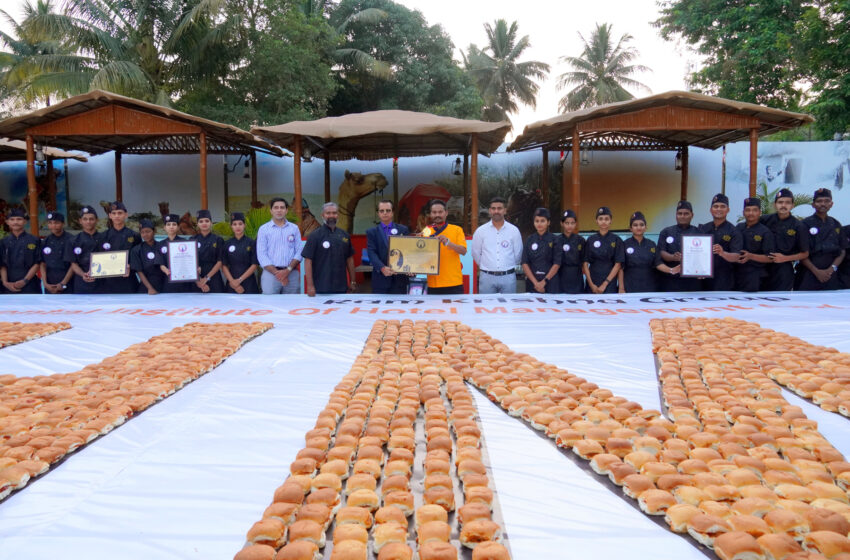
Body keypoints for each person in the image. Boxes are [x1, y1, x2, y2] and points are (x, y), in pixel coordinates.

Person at [760, 188, 809, 291]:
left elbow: (804, 253)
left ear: (792, 205)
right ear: (775, 204)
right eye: (780, 202)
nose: (783, 205)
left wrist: (784, 258)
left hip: (783, 271)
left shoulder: (798, 226)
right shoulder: (764, 220)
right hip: (763, 268)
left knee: (780, 303)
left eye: (787, 203)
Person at [470, 196, 522, 294]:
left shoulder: (514, 231)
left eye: (499, 208)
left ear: (505, 211)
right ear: (490, 211)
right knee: (486, 307)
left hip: (508, 277)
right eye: (493, 208)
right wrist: (488, 266)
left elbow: (518, 255)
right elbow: (475, 253)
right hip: (487, 278)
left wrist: (506, 266)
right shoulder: (481, 231)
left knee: (509, 307)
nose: (496, 211)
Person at [797, 188, 846, 290]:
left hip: (831, 275)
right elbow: (801, 252)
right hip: (809, 274)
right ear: (813, 204)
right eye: (819, 201)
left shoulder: (836, 224)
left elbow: (842, 250)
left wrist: (831, 269)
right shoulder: (805, 224)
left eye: (826, 201)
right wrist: (817, 272)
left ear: (831, 204)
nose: (823, 204)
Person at [302, 202, 355, 296]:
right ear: (323, 215)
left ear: (338, 215)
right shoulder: (314, 236)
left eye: (334, 213)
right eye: (328, 213)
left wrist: (352, 281)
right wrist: (310, 286)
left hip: (341, 287)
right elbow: (308, 261)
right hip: (321, 287)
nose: (331, 216)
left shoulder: (344, 235)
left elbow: (349, 259)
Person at [619, 211, 678, 293]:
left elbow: (658, 263)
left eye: (641, 224)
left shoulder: (652, 244)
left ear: (646, 227)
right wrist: (621, 288)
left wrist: (671, 270)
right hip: (630, 285)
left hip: (649, 285)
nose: (638, 227)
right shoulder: (624, 244)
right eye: (635, 225)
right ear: (630, 228)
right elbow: (620, 268)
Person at [256, 197, 303, 294]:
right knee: (270, 306)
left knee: (292, 306)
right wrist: (277, 274)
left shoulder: (294, 228)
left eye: (282, 208)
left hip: (291, 274)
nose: (279, 210)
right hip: (270, 275)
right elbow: (261, 255)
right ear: (271, 211)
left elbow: (299, 251)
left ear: (286, 211)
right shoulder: (263, 229)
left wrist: (287, 271)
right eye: (276, 207)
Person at [699, 194, 742, 291]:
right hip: (703, 278)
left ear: (728, 210)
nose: (719, 209)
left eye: (723, 206)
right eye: (716, 206)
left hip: (724, 279)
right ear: (711, 210)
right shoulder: (703, 229)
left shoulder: (734, 231)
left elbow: (736, 256)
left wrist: (722, 253)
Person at [366, 199, 410, 294]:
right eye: (382, 211)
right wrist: (382, 268)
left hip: (400, 279)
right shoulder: (371, 232)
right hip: (381, 278)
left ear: (393, 212)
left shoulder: (403, 229)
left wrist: (410, 267)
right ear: (378, 213)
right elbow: (371, 252)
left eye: (388, 210)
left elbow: (408, 251)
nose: (385, 213)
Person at [424, 199, 467, 295]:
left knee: (456, 310)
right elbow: (420, 255)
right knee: (434, 310)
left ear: (446, 213)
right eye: (434, 212)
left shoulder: (456, 230)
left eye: (440, 212)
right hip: (433, 283)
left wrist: (448, 243)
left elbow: (463, 251)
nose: (437, 215)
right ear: (430, 214)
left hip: (453, 283)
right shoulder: (426, 231)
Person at [657, 201, 702, 292]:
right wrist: (673, 257)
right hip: (671, 280)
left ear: (692, 215)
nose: (682, 216)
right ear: (676, 215)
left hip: (693, 280)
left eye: (686, 213)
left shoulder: (699, 232)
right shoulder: (666, 231)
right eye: (679, 213)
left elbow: (703, 255)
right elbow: (661, 252)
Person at [96, 201, 139, 293]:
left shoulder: (134, 235)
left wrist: (130, 266)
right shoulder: (103, 236)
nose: (117, 216)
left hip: (128, 280)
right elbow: (98, 258)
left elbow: (138, 257)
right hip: (108, 281)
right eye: (114, 213)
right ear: (110, 215)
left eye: (120, 213)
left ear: (126, 215)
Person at [736, 197, 775, 292]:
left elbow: (770, 258)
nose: (751, 213)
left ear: (760, 213)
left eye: (754, 210)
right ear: (743, 212)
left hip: (755, 276)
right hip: (736, 273)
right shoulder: (738, 227)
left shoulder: (765, 232)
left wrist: (750, 256)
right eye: (748, 210)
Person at [582, 206, 624, 294]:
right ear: (596, 221)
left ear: (610, 221)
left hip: (609, 283)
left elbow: (618, 264)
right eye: (600, 219)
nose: (603, 221)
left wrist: (605, 284)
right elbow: (585, 264)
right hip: (592, 282)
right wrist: (591, 284)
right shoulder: (590, 239)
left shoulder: (616, 240)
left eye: (606, 219)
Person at [0, 208, 42, 294]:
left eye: (19, 219)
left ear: (25, 221)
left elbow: (37, 263)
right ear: (7, 222)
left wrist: (25, 281)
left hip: (30, 284)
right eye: (12, 219)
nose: (15, 222)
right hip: (8, 285)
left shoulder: (34, 240)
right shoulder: (3, 242)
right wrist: (5, 282)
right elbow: (2, 265)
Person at [521, 208, 561, 293]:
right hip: (533, 283)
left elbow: (557, 263)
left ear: (548, 222)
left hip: (550, 283)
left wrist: (544, 282)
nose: (539, 224)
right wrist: (536, 283)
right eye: (537, 221)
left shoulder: (555, 239)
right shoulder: (529, 239)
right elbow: (524, 263)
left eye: (542, 221)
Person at [66, 205, 102, 294]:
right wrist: (83, 274)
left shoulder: (105, 238)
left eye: (91, 219)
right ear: (80, 221)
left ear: (96, 220)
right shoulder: (73, 241)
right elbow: (73, 263)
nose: (88, 222)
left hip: (102, 283)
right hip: (82, 283)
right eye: (85, 219)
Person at [222, 212, 260, 294]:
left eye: (240, 224)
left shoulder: (251, 243)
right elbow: (224, 265)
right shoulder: (227, 244)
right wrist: (233, 282)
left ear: (244, 225)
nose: (237, 226)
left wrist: (239, 280)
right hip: (231, 281)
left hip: (249, 281)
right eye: (234, 224)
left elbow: (254, 264)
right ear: (231, 226)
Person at [40, 211, 74, 294]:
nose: (53, 226)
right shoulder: (45, 241)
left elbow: (74, 264)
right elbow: (42, 263)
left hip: (69, 282)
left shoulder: (72, 240)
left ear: (63, 224)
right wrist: (45, 283)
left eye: (56, 223)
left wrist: (63, 283)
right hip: (50, 283)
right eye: (50, 223)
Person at [192, 209, 224, 293]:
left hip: (214, 276)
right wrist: (199, 281)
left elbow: (220, 261)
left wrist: (206, 278)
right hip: (196, 278)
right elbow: (189, 262)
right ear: (197, 224)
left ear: (211, 223)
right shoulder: (192, 240)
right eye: (201, 221)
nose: (204, 223)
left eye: (207, 221)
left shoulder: (218, 239)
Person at [130, 219, 165, 294]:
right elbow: (139, 271)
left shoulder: (162, 246)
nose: (145, 234)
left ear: (154, 231)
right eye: (142, 232)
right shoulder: (136, 250)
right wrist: (150, 288)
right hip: (146, 287)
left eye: (148, 231)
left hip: (163, 284)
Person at [556, 210, 585, 294]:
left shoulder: (581, 240)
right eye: (567, 223)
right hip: (561, 276)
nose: (570, 226)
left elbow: (584, 262)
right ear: (562, 224)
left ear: (575, 224)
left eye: (572, 223)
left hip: (576, 277)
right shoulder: (557, 240)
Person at [158, 213, 187, 293]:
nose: (171, 226)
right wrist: (166, 270)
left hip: (183, 279)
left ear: (178, 227)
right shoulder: (160, 244)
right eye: (168, 224)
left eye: (174, 224)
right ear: (164, 227)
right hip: (168, 279)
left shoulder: (185, 243)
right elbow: (160, 263)